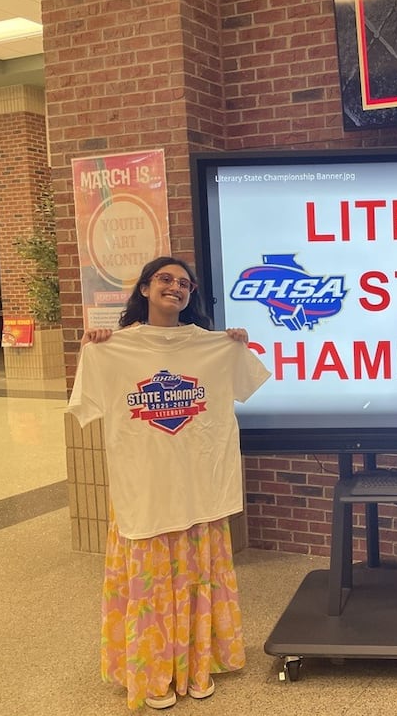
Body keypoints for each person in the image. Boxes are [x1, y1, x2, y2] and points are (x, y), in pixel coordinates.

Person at [69, 256, 270, 710]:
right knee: (152, 586)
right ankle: (154, 672)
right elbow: (86, 405)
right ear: (144, 288)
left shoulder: (214, 346)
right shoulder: (111, 347)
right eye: (165, 279)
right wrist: (93, 348)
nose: (175, 287)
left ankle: (200, 664)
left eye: (184, 283)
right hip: (147, 492)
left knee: (199, 578)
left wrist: (235, 345)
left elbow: (247, 382)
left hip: (199, 491)